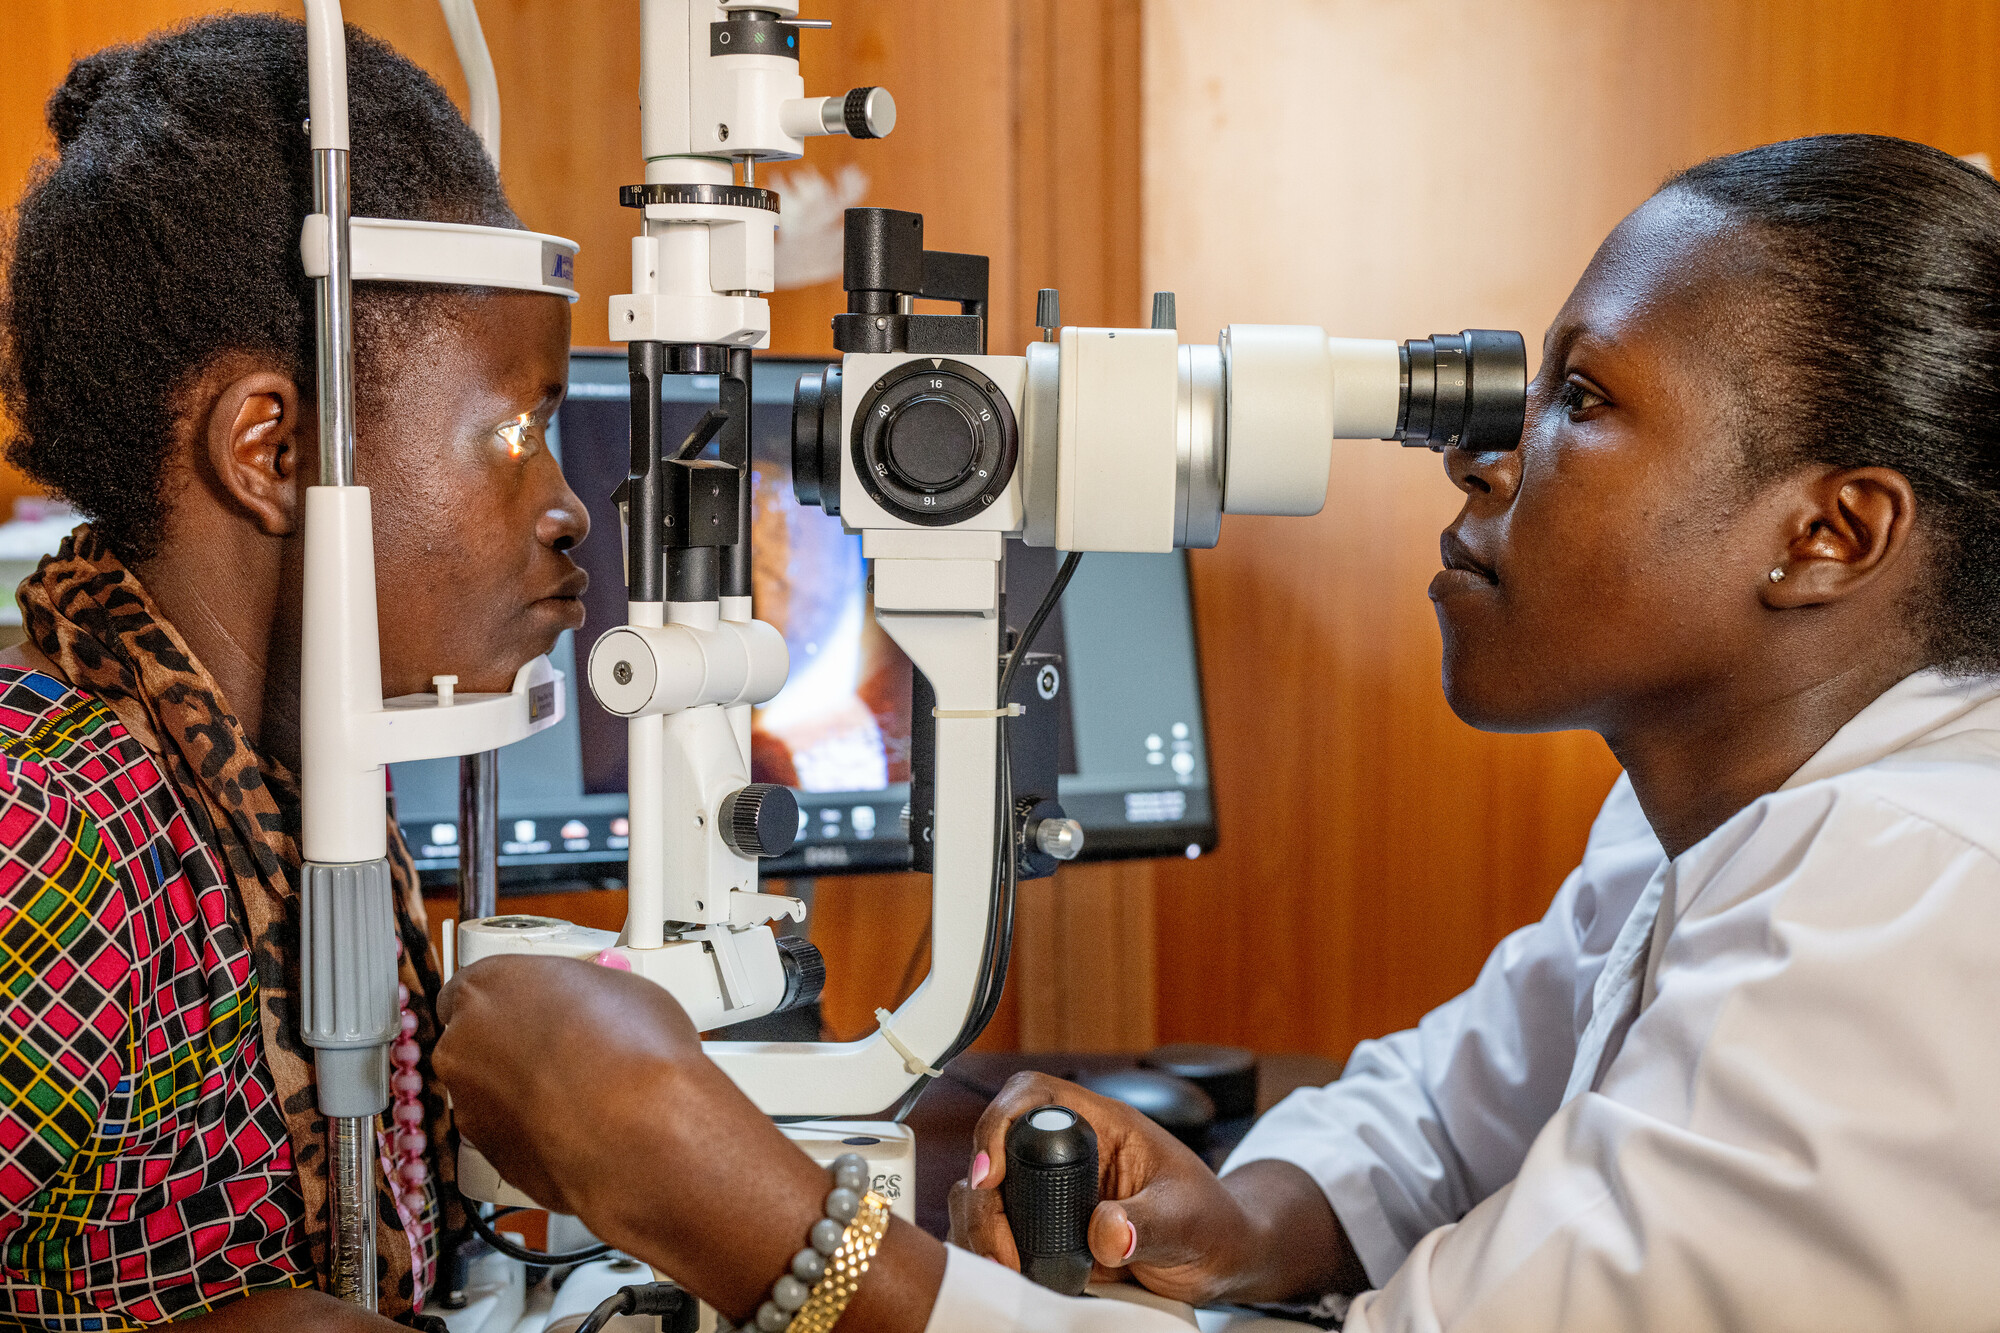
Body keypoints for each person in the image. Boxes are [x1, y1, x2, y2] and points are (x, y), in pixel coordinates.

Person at [435, 131, 2000, 1332]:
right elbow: (1456, 1103)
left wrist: (735, 1206)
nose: (1482, 453)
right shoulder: (1726, 807)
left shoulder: (1915, 913)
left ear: (1830, 533)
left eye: (1579, 398)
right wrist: (1243, 1213)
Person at [0, 15, 587, 1329]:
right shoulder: (50, 837)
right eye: (510, 433)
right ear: (271, 448)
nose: (567, 506)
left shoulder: (286, 791)